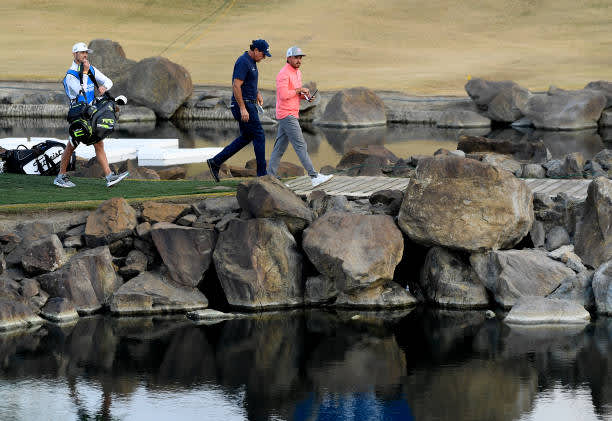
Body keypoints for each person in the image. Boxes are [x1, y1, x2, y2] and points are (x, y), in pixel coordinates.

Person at [54, 42, 128, 188]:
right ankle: (60, 176)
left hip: (91, 113)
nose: (85, 55)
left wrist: (103, 87)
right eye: (82, 53)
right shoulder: (70, 76)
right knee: (71, 146)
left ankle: (109, 176)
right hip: (79, 116)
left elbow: (108, 81)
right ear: (74, 54)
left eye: (86, 52)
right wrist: (87, 72)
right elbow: (80, 90)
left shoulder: (89, 69)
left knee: (98, 144)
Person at [267, 46, 332, 187]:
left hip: (291, 113)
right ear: (289, 58)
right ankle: (314, 176)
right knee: (301, 145)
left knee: (279, 148)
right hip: (286, 114)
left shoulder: (297, 73)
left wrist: (306, 97)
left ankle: (270, 176)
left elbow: (295, 94)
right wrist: (300, 90)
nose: (299, 60)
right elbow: (284, 95)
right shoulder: (283, 74)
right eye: (296, 57)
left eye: (300, 57)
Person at [207, 39, 271, 182]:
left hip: (249, 103)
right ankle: (262, 174)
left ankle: (215, 162)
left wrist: (257, 92)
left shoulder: (252, 61)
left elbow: (248, 82)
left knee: (247, 137)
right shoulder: (243, 61)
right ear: (255, 50)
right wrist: (242, 108)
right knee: (259, 135)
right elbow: (236, 86)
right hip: (244, 105)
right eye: (263, 54)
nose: (264, 57)